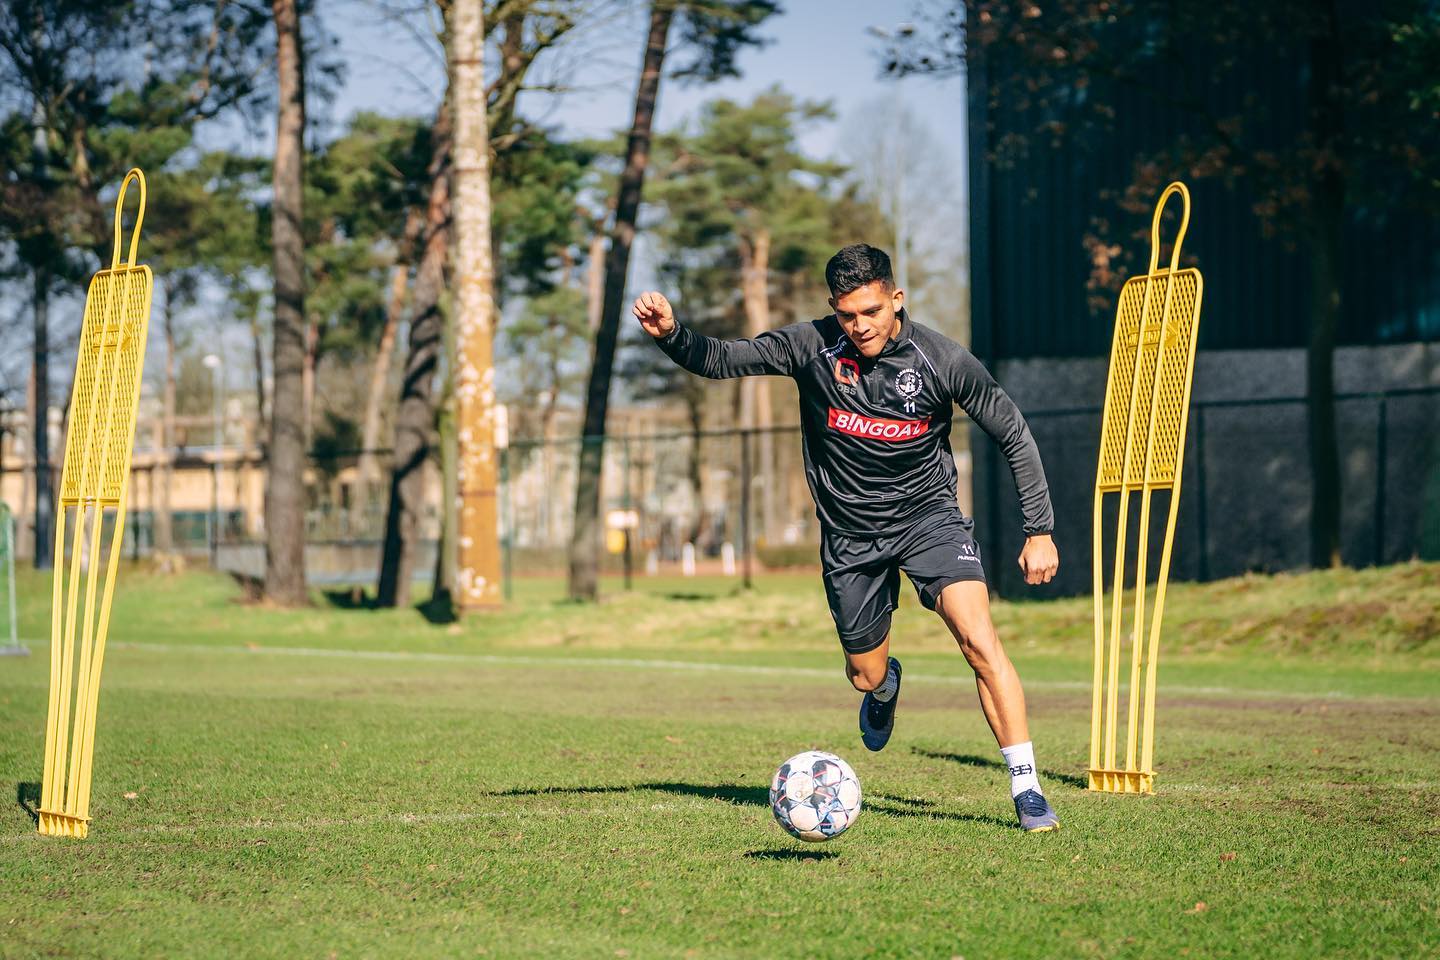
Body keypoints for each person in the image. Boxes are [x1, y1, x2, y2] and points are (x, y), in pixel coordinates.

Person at [636, 243, 1061, 832]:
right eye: (847, 314)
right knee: (864, 673)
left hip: (929, 519)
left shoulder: (942, 360)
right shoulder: (810, 346)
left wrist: (1039, 529)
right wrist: (672, 335)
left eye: (871, 311)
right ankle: (884, 688)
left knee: (980, 641)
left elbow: (1013, 431)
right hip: (850, 535)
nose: (859, 326)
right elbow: (721, 360)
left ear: (896, 299)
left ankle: (1027, 786)